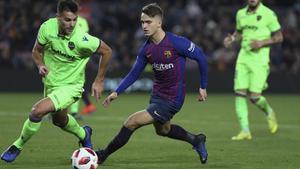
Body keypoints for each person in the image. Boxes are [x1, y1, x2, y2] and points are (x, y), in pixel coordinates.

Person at [96, 3, 208, 165]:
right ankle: (196, 140)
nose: (144, 26)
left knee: (131, 122)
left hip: (173, 98)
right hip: (157, 96)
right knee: (163, 130)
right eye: (142, 22)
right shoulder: (146, 49)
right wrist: (117, 92)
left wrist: (203, 86)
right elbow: (134, 73)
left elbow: (201, 57)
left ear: (159, 23)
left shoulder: (177, 42)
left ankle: (102, 155)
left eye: (148, 22)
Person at [1, 0, 112, 163]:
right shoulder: (47, 28)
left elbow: (107, 51)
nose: (72, 24)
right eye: (67, 19)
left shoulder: (82, 39)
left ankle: (17, 145)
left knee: (37, 111)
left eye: (75, 19)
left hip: (72, 86)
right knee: (60, 121)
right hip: (52, 84)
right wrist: (40, 65)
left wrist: (99, 80)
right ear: (58, 17)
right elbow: (36, 51)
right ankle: (84, 134)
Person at [223, 0, 283, 140]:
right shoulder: (240, 14)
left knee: (255, 97)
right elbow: (239, 33)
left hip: (260, 60)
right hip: (243, 57)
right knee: (239, 93)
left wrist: (262, 42)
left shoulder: (268, 14)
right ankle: (245, 131)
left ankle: (269, 112)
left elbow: (279, 37)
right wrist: (231, 38)